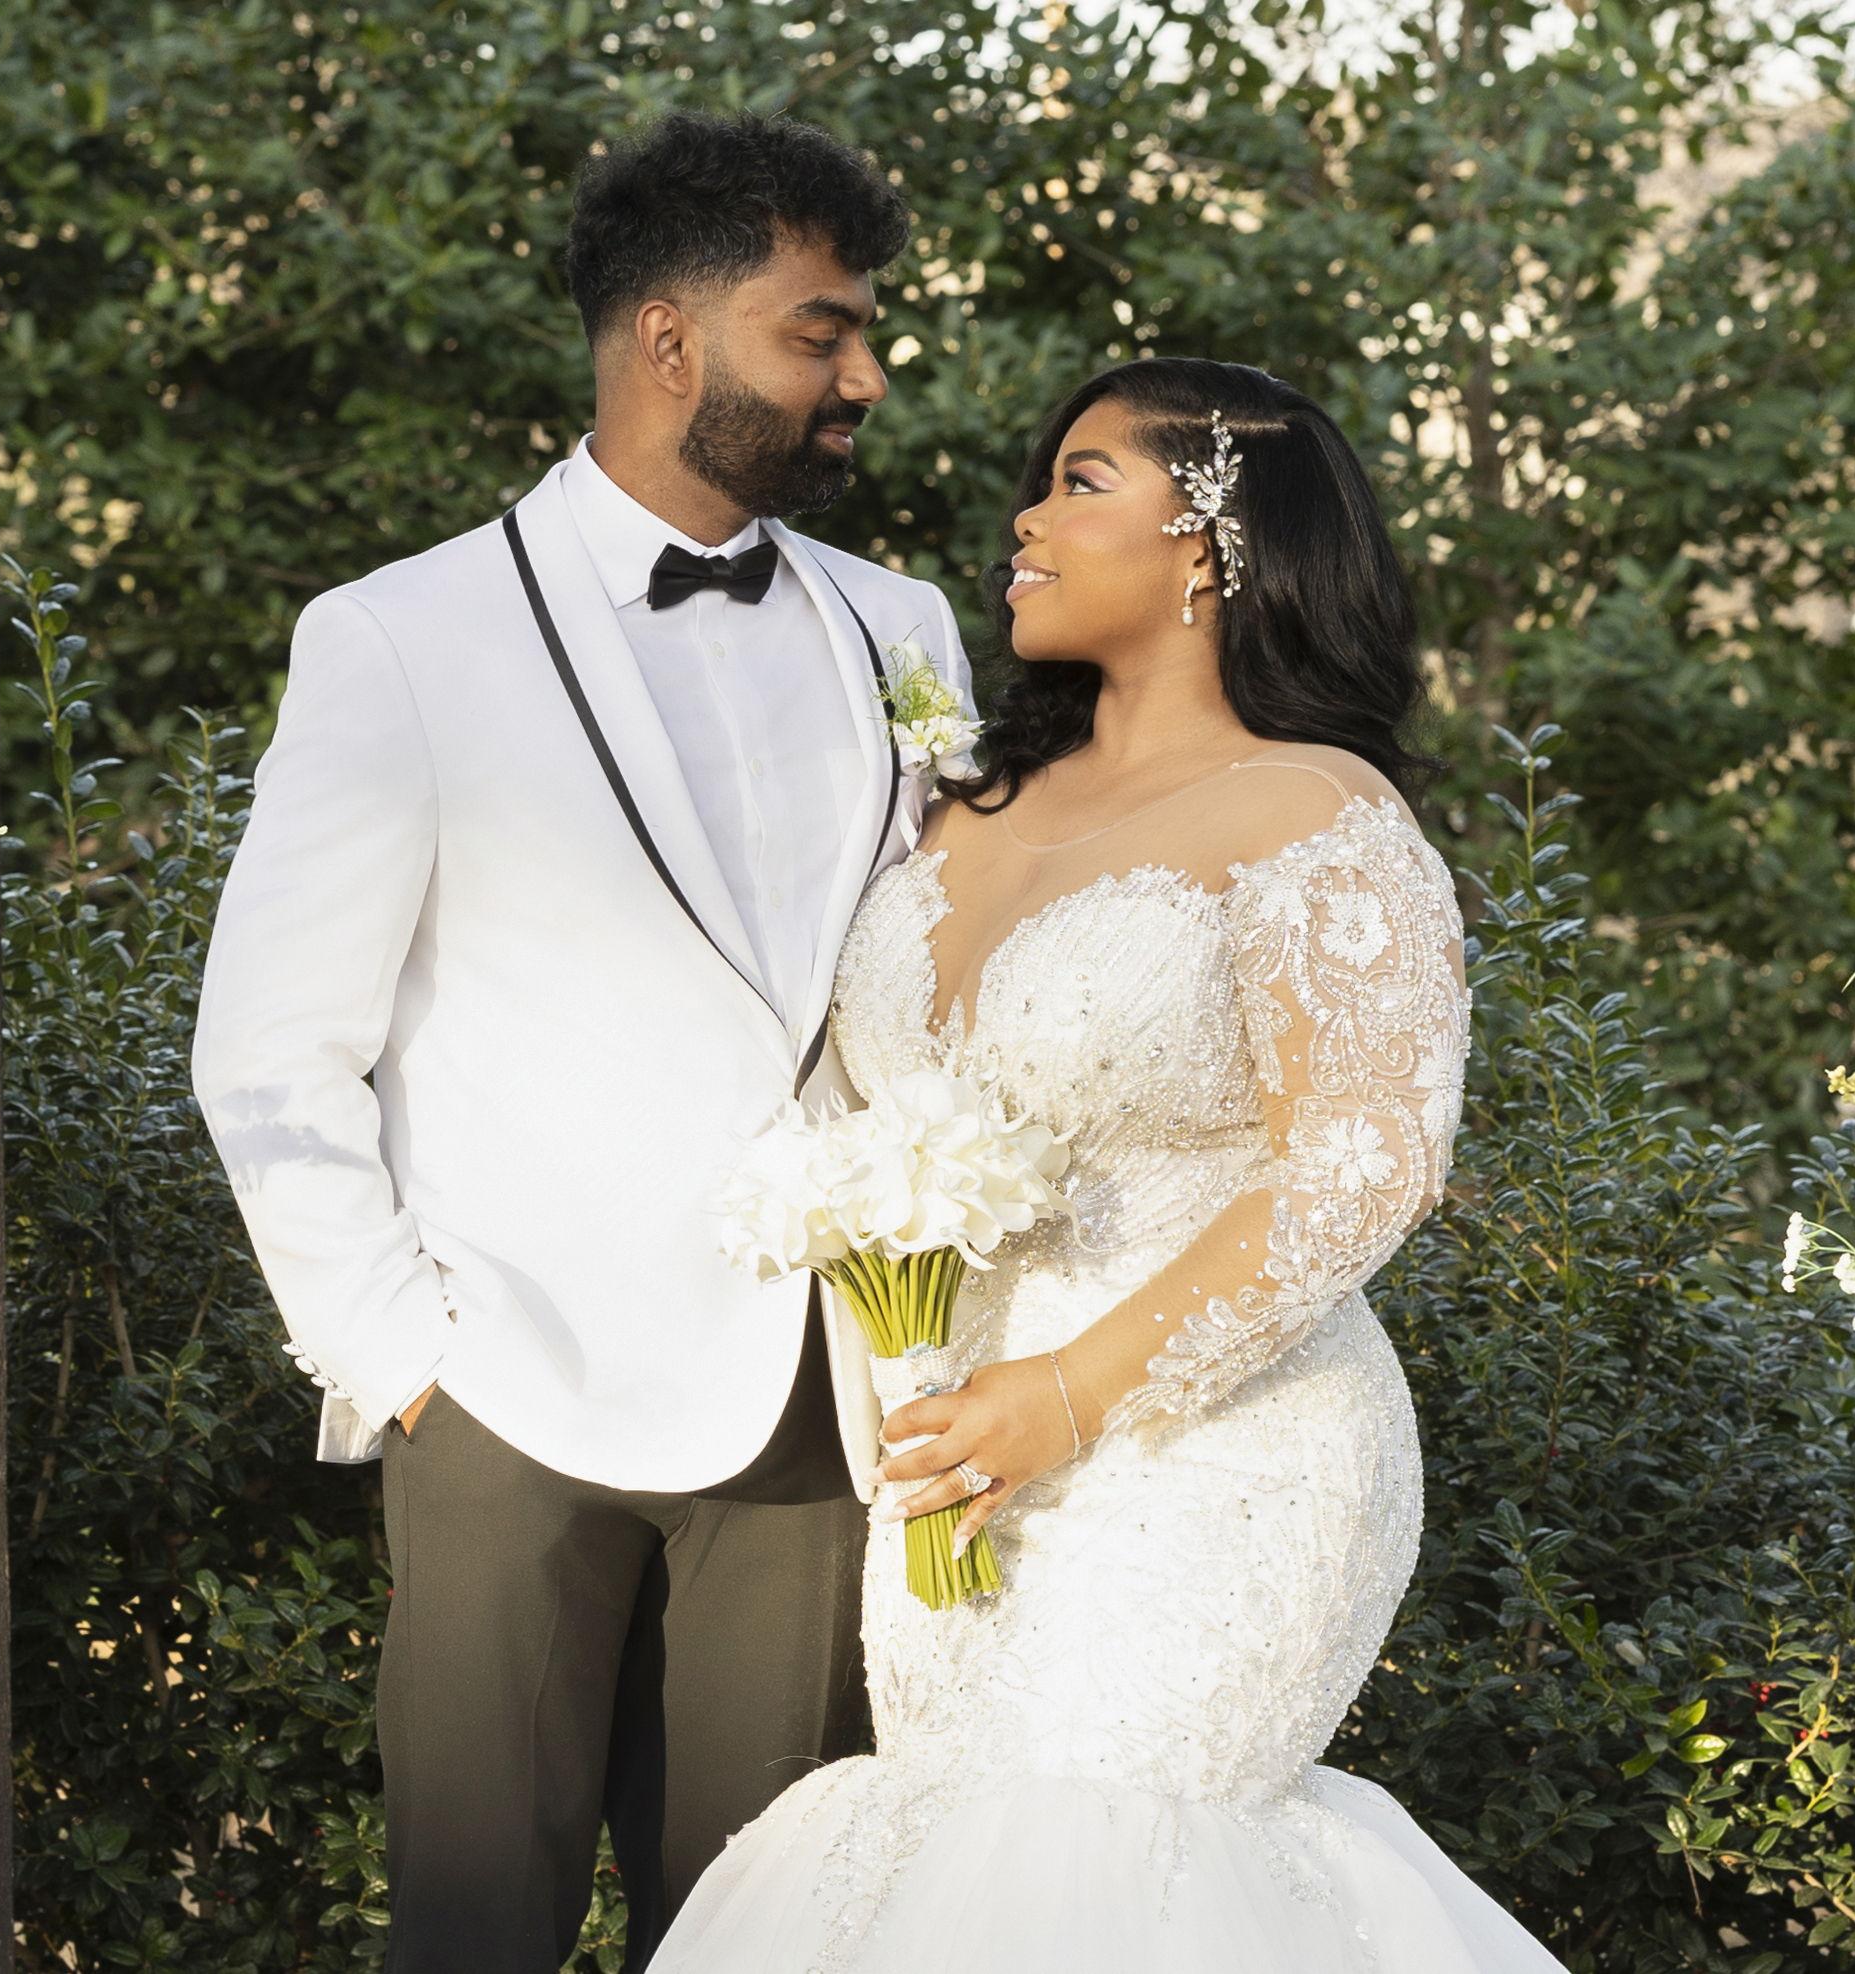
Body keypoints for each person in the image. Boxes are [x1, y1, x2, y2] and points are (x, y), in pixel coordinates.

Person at [647, 357, 1567, 1972]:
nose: (1025, 517)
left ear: (1211, 538)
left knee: (1112, 1864)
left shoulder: (1315, 810)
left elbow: (1365, 1163)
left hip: (1211, 1459)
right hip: (949, 1462)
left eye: (1080, 482)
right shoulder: (956, 802)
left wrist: (1070, 1392)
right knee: (945, 1867)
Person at [191, 113, 969, 1973]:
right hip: (507, 1391)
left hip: (814, 1400)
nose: (863, 376)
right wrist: (404, 1363)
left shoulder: (903, 630)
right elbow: (268, 1050)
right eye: (820, 333)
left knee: (773, 1932)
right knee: (472, 1933)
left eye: (863, 334)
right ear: (668, 341)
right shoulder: (399, 636)